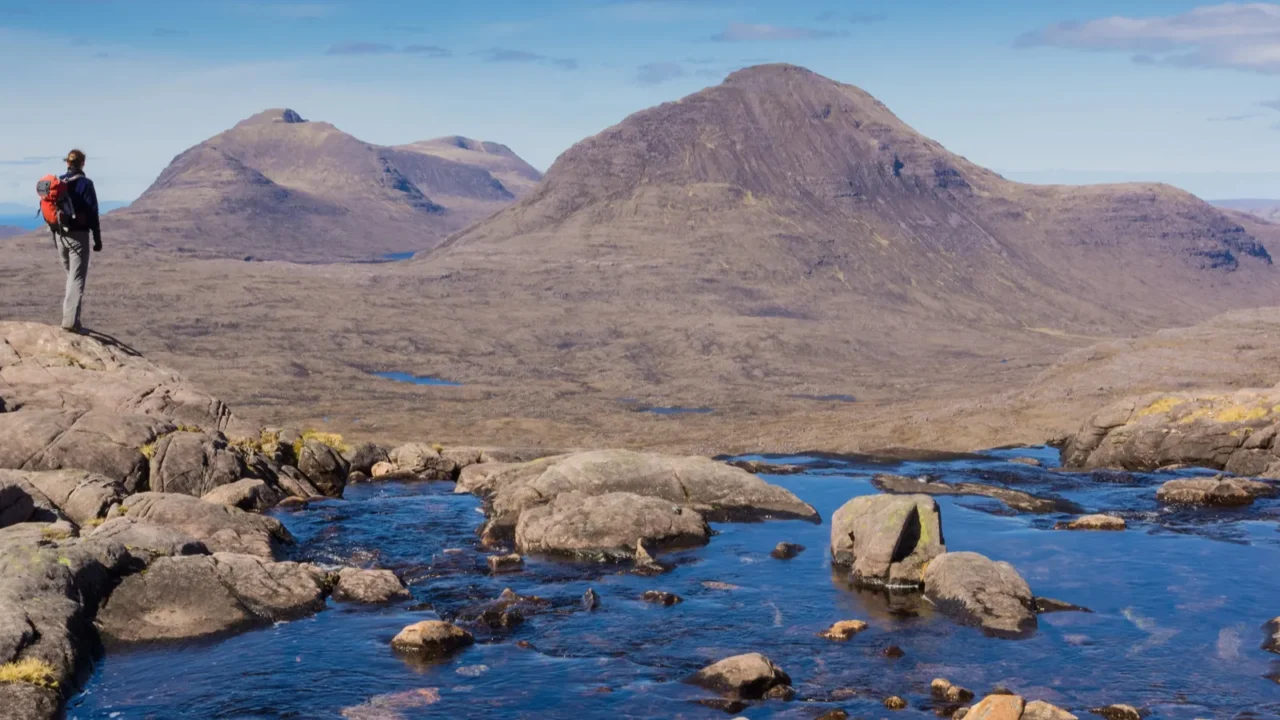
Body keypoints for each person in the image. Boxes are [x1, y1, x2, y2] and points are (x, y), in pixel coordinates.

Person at [51, 149, 101, 332]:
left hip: (60, 236)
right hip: (78, 236)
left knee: (72, 277)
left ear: (67, 163)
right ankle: (70, 324)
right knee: (77, 279)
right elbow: (92, 213)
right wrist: (97, 239)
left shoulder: (58, 183)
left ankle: (73, 319)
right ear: (82, 163)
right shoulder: (86, 184)